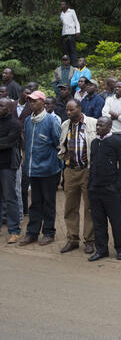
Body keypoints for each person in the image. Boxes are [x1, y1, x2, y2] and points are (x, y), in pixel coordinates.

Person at [18, 91, 63, 247]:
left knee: (48, 202)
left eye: (35, 101)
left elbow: (59, 144)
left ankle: (49, 232)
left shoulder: (51, 121)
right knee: (35, 203)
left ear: (43, 103)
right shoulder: (28, 121)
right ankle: (32, 233)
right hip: (32, 169)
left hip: (49, 170)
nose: (31, 103)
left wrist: (55, 163)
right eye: (30, 101)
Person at [57, 99, 97, 254]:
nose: (68, 113)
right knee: (70, 207)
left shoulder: (92, 123)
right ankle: (72, 239)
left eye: (71, 110)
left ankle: (90, 240)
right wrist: (63, 154)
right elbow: (62, 144)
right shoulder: (65, 125)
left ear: (79, 109)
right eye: (67, 110)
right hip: (70, 171)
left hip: (87, 171)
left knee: (89, 207)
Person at [87, 117, 121, 261]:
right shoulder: (94, 143)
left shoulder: (116, 142)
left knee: (116, 221)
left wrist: (117, 186)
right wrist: (90, 186)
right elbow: (92, 165)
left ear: (109, 127)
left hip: (110, 189)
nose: (98, 127)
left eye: (101, 125)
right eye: (97, 125)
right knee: (98, 222)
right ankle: (101, 249)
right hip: (95, 189)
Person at [0, 98, 22, 244]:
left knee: (10, 198)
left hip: (8, 166)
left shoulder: (15, 124)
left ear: (8, 108)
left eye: (1, 105)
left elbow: (8, 143)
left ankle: (14, 230)